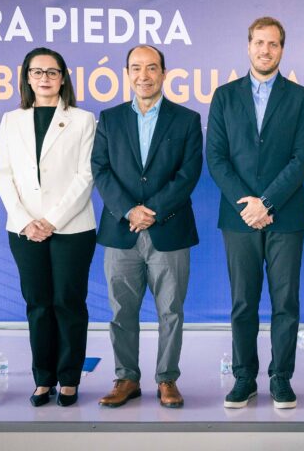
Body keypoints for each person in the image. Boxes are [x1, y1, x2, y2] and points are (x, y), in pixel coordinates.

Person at [206, 17, 304, 409]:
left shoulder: (300, 98)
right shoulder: (224, 96)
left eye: (272, 44)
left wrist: (266, 203)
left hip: (285, 217)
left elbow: (302, 158)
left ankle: (281, 378)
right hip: (239, 218)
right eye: (259, 42)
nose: (265, 50)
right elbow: (216, 158)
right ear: (248, 45)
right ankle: (244, 378)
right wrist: (248, 204)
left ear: (282, 49)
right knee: (243, 303)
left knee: (286, 303)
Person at [91, 45, 203, 409]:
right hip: (121, 231)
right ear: (127, 74)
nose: (144, 75)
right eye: (136, 68)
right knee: (121, 311)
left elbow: (188, 174)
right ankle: (126, 378)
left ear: (164, 74)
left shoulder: (186, 120)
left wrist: (152, 211)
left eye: (152, 68)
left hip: (168, 229)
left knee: (171, 311)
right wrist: (129, 211)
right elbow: (100, 170)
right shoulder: (109, 119)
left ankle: (167, 379)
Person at [0, 47, 97, 407]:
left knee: (69, 302)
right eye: (36, 72)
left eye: (52, 72)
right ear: (27, 78)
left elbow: (86, 175)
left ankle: (68, 378)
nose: (44, 78)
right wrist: (26, 221)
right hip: (24, 230)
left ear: (63, 78)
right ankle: (43, 379)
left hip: (72, 228)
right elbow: (2, 173)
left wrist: (52, 220)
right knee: (37, 304)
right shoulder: (11, 120)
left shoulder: (83, 119)